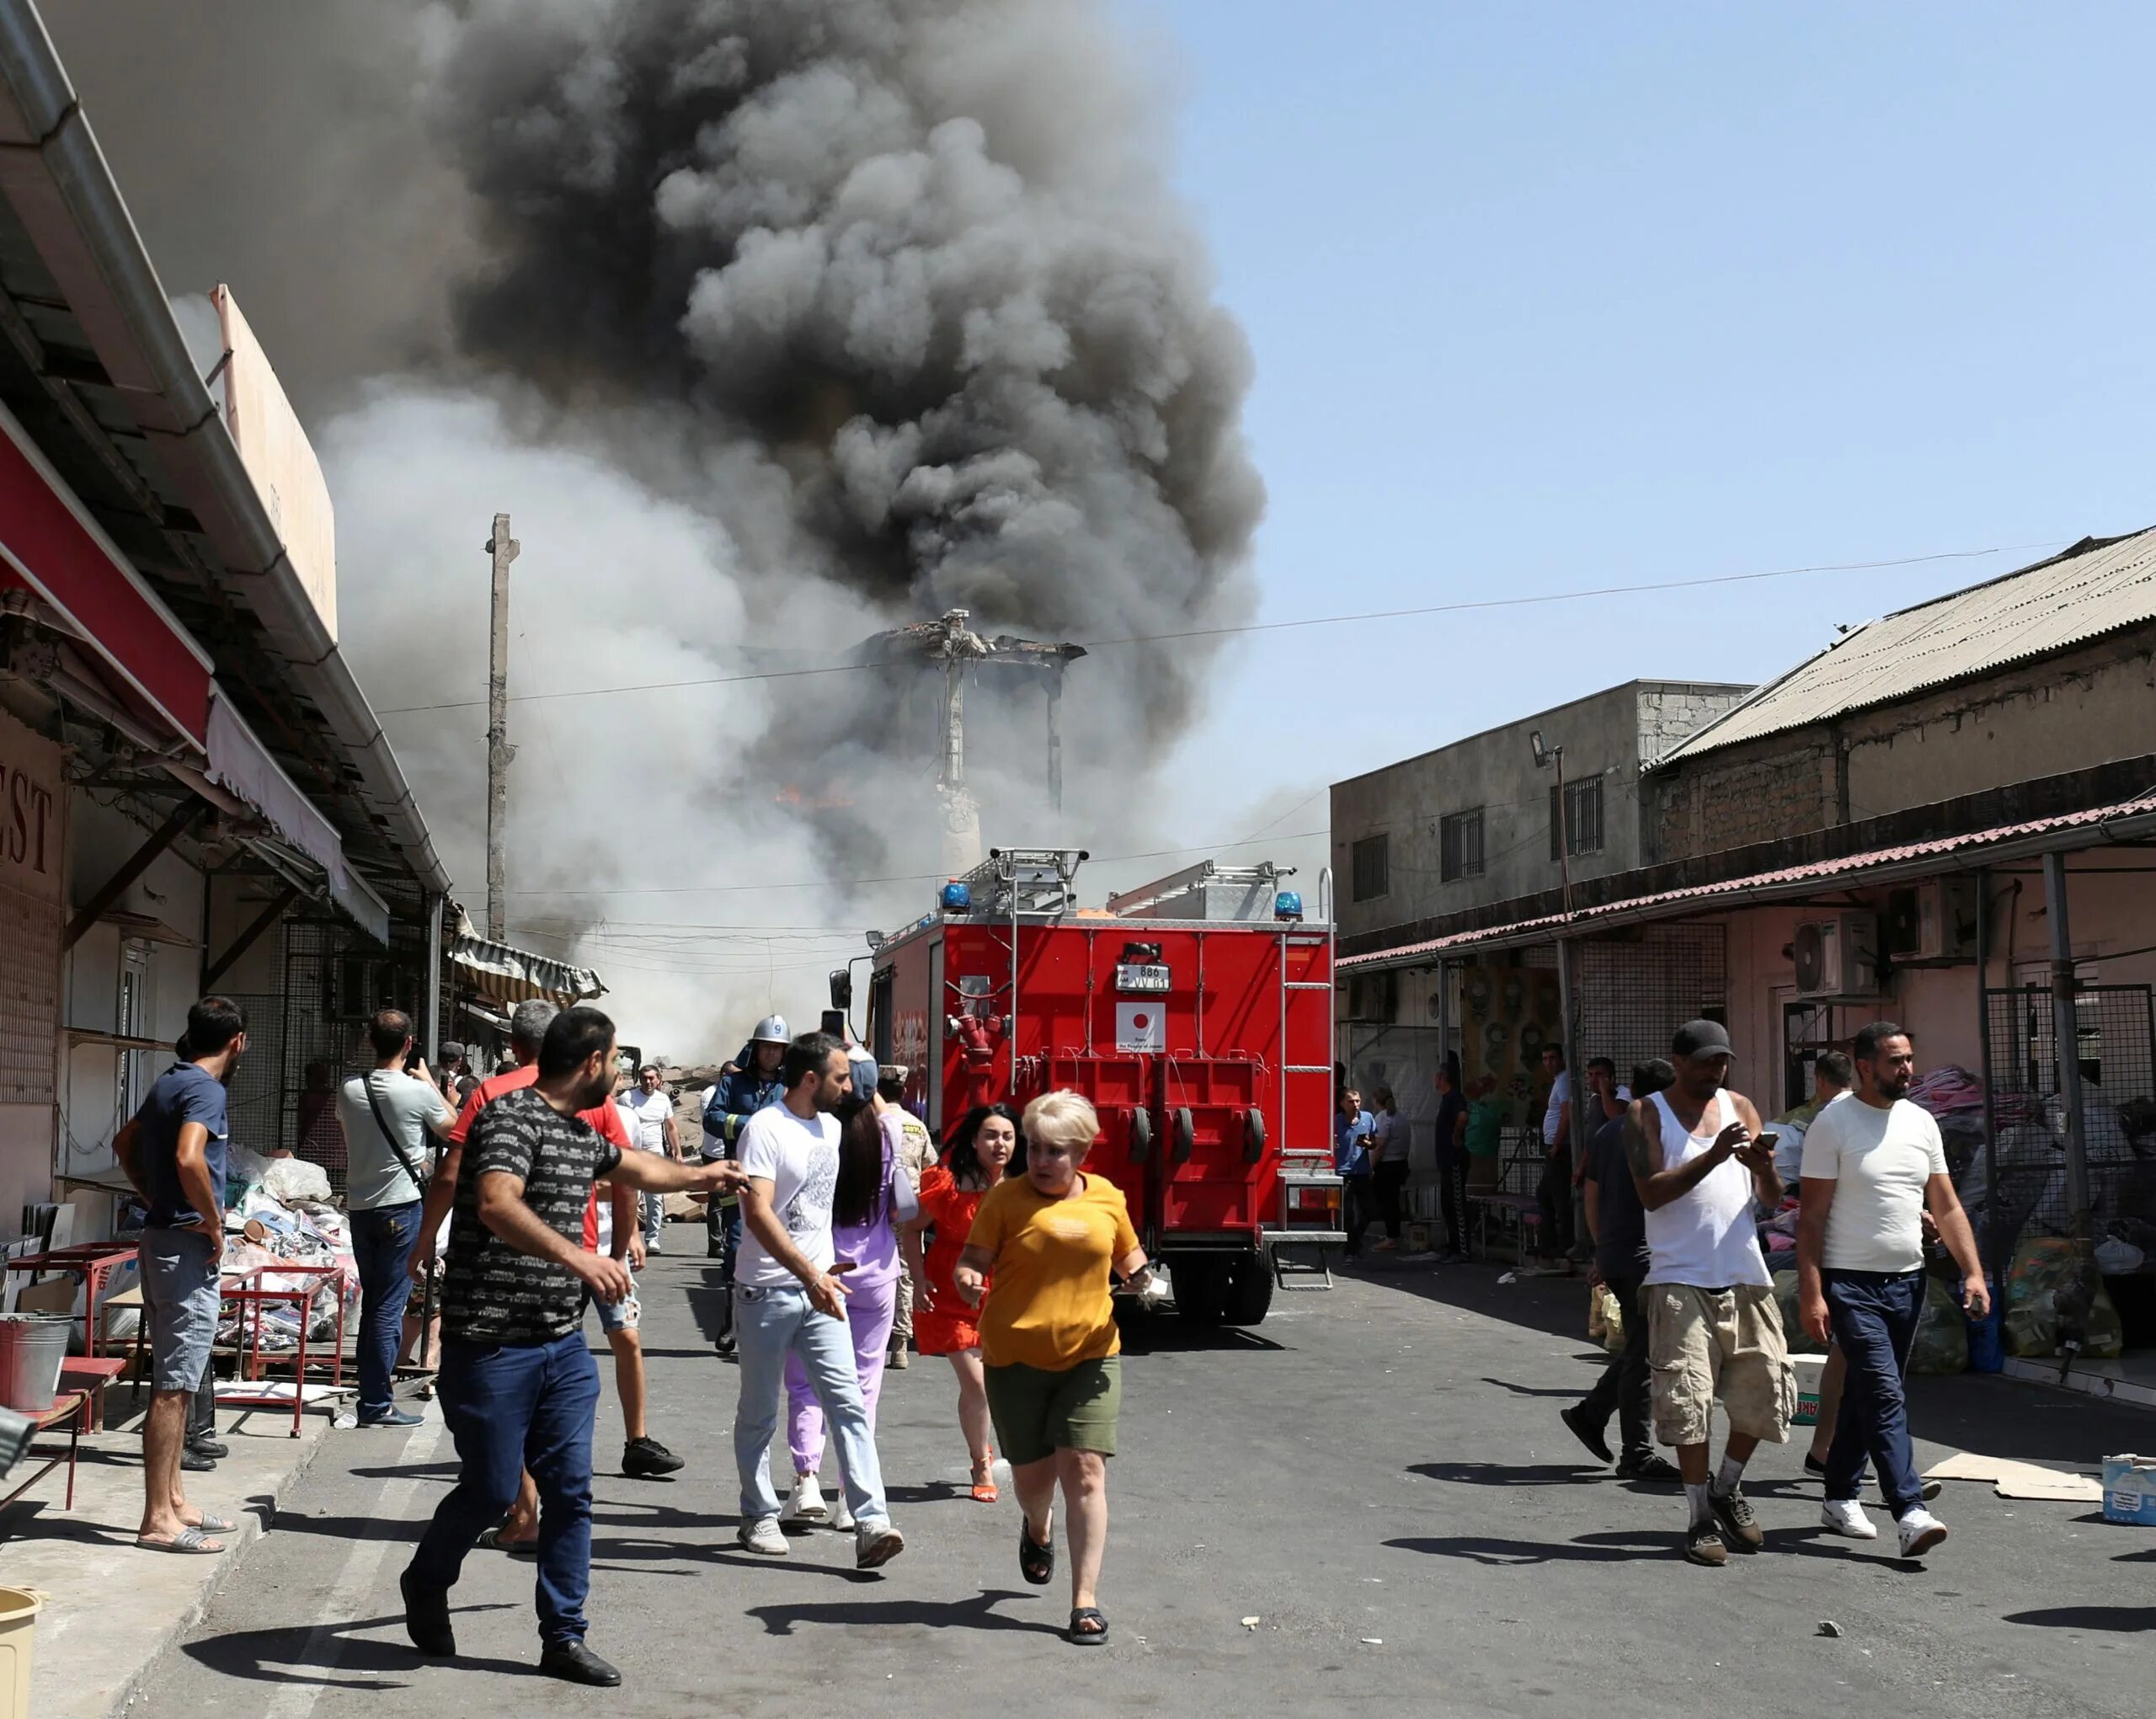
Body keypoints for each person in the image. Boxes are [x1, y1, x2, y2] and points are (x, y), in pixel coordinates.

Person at [400, 1006, 742, 1686]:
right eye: (615, 1061)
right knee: (493, 1488)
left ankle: (564, 1635)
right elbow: (497, 1201)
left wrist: (707, 1176)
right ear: (592, 1062)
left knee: (571, 1492)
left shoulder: (577, 1131)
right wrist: (581, 1258)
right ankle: (426, 1579)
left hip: (560, 1347)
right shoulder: (509, 1118)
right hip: (491, 1346)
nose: (617, 1074)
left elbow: (636, 1167)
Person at [955, 1090, 1153, 1647]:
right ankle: (1037, 1526)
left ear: (1082, 1151)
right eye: (1036, 1147)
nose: (1042, 1160)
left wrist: (1140, 1278)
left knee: (1086, 1471)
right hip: (1015, 1358)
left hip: (1090, 1355)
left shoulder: (1107, 1199)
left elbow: (1129, 1257)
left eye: (1056, 1151)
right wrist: (967, 1278)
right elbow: (971, 1260)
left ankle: (1084, 1601)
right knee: (1034, 1480)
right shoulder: (1006, 1201)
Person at [1799, 1022, 1988, 1556]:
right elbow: (1810, 1219)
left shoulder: (1921, 1122)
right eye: (1895, 1061)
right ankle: (1909, 1510)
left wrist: (1972, 1271)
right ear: (1864, 1067)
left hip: (1908, 1281)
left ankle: (1838, 1496)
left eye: (1909, 1059)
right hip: (1850, 1282)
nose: (1907, 1069)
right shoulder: (1832, 1125)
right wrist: (1813, 1293)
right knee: (1884, 1391)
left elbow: (1946, 1205)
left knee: (1867, 1391)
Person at [730, 1033, 906, 1568]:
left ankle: (871, 1520)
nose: (849, 1087)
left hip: (821, 1290)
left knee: (848, 1403)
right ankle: (758, 1514)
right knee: (760, 1411)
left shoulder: (830, 1128)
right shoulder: (765, 1128)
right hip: (767, 1291)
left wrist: (823, 1270)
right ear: (810, 1080)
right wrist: (809, 1272)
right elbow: (757, 1213)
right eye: (839, 1077)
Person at [1627, 1018, 1792, 1567]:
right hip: (1679, 1276)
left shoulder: (1741, 1107)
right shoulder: (1645, 1114)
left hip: (1744, 1270)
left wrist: (1764, 1169)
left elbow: (1769, 1198)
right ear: (1677, 1061)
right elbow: (1651, 1194)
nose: (1714, 1070)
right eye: (1704, 1061)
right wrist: (1714, 1156)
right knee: (1689, 1403)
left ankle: (1727, 1486)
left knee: (1767, 1387)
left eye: (1721, 1061)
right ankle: (1698, 1516)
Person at [111, 997, 248, 1555]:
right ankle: (156, 1520)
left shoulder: (170, 1080)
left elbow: (125, 1144)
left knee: (184, 1378)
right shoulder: (206, 1090)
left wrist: (155, 1200)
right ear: (236, 1042)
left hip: (163, 1240)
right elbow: (191, 1158)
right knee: (172, 1389)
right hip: (186, 1251)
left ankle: (174, 1500)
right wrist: (213, 1224)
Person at [777, 1094, 918, 1531]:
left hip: (821, 1270)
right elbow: (904, 1206)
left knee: (804, 1380)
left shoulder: (814, 1136)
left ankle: (806, 1481)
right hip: (876, 1273)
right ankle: (850, 1497)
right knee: (863, 1386)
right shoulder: (890, 1132)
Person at [336, 1008, 456, 1428]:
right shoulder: (417, 1092)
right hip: (401, 1209)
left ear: (370, 1042)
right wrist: (431, 1085)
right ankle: (376, 1403)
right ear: (408, 1045)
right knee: (388, 1307)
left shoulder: (349, 1090)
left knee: (375, 1305)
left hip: (361, 1208)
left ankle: (372, 1392)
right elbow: (456, 1130)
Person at [1562, 1060, 1682, 1482]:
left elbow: (1590, 1195)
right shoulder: (1657, 1132)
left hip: (1617, 1252)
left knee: (1641, 1349)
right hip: (1646, 1257)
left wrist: (1600, 1249)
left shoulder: (1607, 1131)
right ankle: (1634, 1450)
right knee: (1644, 1355)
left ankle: (1592, 1415)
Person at [906, 1103, 1017, 1502]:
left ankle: (985, 1445)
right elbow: (912, 1229)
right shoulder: (947, 1183)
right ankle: (981, 1462)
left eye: (1007, 1136)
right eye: (990, 1135)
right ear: (974, 1140)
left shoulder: (1025, 1187)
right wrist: (917, 1279)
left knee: (988, 1387)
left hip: (1004, 1298)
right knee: (977, 1383)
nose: (999, 1144)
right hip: (949, 1294)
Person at [701, 1016, 789, 1348]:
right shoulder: (733, 1084)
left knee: (778, 1253)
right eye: (767, 1047)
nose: (772, 1054)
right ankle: (732, 1320)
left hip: (781, 1184)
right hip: (741, 1181)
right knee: (737, 1251)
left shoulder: (790, 1086)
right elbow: (712, 1118)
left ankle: (771, 1325)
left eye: (778, 1049)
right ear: (755, 1049)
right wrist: (750, 1124)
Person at [878, 1066, 937, 1370]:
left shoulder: (871, 1122)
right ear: (903, 1092)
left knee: (871, 1268)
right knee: (906, 1272)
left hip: (874, 1209)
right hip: (910, 1208)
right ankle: (900, 1346)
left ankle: (871, 1337)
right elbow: (932, 1169)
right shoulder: (917, 1126)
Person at [617, 1063, 680, 1254]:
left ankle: (652, 1239)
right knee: (630, 1199)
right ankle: (628, 1239)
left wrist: (677, 1151)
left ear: (659, 1079)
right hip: (633, 1154)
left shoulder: (663, 1100)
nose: (648, 1082)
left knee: (655, 1199)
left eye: (652, 1078)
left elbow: (670, 1127)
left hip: (655, 1155)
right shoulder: (627, 1098)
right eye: (644, 1078)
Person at [1534, 1044, 1574, 1270]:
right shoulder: (1559, 1081)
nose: (1548, 1063)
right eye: (1545, 1059)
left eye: (1552, 1058)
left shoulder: (1565, 1080)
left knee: (1556, 1197)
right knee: (1547, 1195)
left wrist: (1557, 1144)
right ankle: (1550, 1243)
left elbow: (1566, 1114)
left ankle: (1562, 1243)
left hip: (1560, 1148)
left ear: (1561, 1058)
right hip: (1554, 1145)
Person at [1432, 1060, 1470, 1260]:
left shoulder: (1454, 1097)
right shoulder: (1446, 1099)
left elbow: (1463, 1117)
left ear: (1442, 1077)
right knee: (1447, 1204)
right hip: (1446, 1160)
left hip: (1455, 1159)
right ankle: (1453, 1245)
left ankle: (1463, 1250)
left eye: (1436, 1075)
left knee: (1456, 1204)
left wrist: (1456, 1136)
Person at [1333, 1087, 1375, 1258]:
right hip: (1343, 1173)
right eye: (1351, 1101)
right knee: (1347, 1214)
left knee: (1369, 1212)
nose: (1355, 1104)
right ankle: (1350, 1249)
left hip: (1362, 1172)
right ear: (1342, 1104)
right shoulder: (1336, 1121)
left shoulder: (1367, 1118)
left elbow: (1374, 1142)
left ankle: (1355, 1240)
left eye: (1357, 1101)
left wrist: (1369, 1144)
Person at [1369, 1086, 1411, 1253]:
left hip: (1387, 1167)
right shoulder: (1401, 1118)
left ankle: (1391, 1237)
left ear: (1376, 1100)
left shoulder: (1383, 1118)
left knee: (1387, 1203)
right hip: (1400, 1164)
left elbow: (1380, 1145)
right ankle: (1393, 1235)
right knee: (1393, 1201)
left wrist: (1370, 1166)